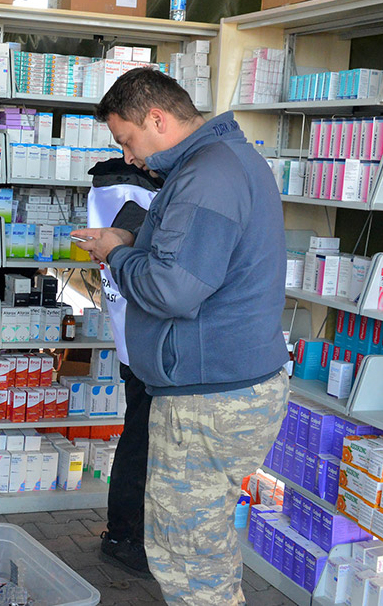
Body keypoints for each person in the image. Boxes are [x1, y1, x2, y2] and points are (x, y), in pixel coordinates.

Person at [73, 68, 289, 606]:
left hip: (207, 399)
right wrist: (130, 236)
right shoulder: (223, 162)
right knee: (205, 546)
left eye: (127, 141)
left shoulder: (205, 177)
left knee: (189, 557)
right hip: (222, 385)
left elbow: (171, 290)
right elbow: (190, 253)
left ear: (157, 118)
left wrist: (116, 255)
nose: (126, 157)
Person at [87, 158, 161, 577]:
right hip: (147, 345)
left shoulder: (109, 194)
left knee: (140, 439)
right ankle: (122, 536)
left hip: (135, 341)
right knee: (140, 443)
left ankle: (126, 532)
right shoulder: (134, 197)